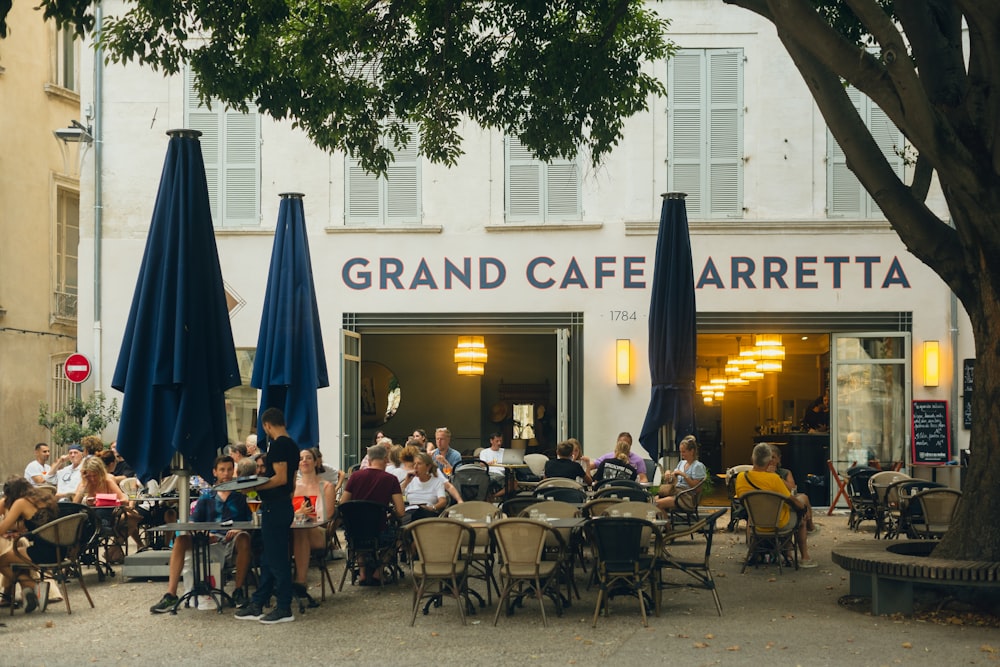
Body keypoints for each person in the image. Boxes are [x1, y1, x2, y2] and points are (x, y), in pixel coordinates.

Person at [149, 455, 254, 613]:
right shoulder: (206, 498)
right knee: (181, 540)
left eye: (229, 470)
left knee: (244, 537)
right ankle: (171, 594)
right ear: (215, 472)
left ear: (234, 472)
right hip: (208, 540)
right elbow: (193, 523)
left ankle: (238, 591)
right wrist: (202, 534)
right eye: (222, 470)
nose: (226, 473)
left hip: (233, 541)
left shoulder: (241, 498)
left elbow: (251, 523)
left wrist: (240, 529)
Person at [235, 407, 299, 624]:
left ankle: (283, 607)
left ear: (267, 425)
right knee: (270, 556)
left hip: (276, 506)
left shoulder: (280, 445)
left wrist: (255, 487)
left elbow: (280, 479)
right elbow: (290, 482)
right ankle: (259, 601)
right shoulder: (293, 445)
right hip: (282, 504)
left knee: (277, 558)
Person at [734, 442, 817, 568]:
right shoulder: (774, 479)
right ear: (768, 461)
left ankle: (754, 552)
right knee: (802, 519)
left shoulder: (741, 477)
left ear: (752, 459)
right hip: (779, 523)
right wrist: (803, 510)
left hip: (755, 524)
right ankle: (805, 557)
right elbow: (793, 500)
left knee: (752, 516)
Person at [339, 444, 405, 585]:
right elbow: (400, 511)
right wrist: (388, 514)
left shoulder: (355, 477)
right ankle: (378, 571)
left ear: (369, 460)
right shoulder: (390, 479)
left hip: (355, 531)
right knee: (399, 536)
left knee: (359, 538)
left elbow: (343, 504)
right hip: (379, 531)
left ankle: (362, 573)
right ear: (386, 459)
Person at [0, 475, 59, 613]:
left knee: (2, 560)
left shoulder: (21, 502)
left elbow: (2, 529)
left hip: (43, 552)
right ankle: (28, 591)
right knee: (18, 549)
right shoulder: (44, 498)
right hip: (59, 549)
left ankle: (33, 586)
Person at [290, 448, 337, 599]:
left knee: (301, 531)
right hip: (292, 529)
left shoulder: (327, 486)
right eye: (301, 458)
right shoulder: (293, 487)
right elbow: (287, 514)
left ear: (316, 462)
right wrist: (298, 514)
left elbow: (328, 515)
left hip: (318, 530)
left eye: (308, 458)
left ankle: (300, 582)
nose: (304, 461)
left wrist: (306, 515)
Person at [767, 444, 817, 533]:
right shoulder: (760, 472)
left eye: (773, 457)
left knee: (804, 497)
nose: (770, 460)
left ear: (779, 459)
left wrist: (776, 477)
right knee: (803, 499)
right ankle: (808, 526)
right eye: (768, 457)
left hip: (786, 499)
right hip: (770, 502)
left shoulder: (785, 472)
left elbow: (792, 488)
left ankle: (810, 525)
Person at [654, 435, 707, 510]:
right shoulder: (681, 463)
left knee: (657, 504)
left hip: (686, 497)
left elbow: (697, 488)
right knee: (653, 501)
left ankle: (665, 521)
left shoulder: (697, 466)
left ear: (692, 451)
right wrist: (669, 474)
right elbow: (673, 479)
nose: (681, 454)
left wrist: (684, 475)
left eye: (684, 452)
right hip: (675, 493)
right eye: (681, 451)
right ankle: (664, 520)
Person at [400, 452, 447, 523]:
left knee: (419, 513)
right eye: (414, 464)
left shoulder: (437, 482)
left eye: (419, 464)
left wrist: (432, 508)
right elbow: (398, 496)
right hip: (410, 511)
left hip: (427, 512)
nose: (415, 467)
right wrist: (406, 483)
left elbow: (443, 501)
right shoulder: (410, 481)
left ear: (428, 467)